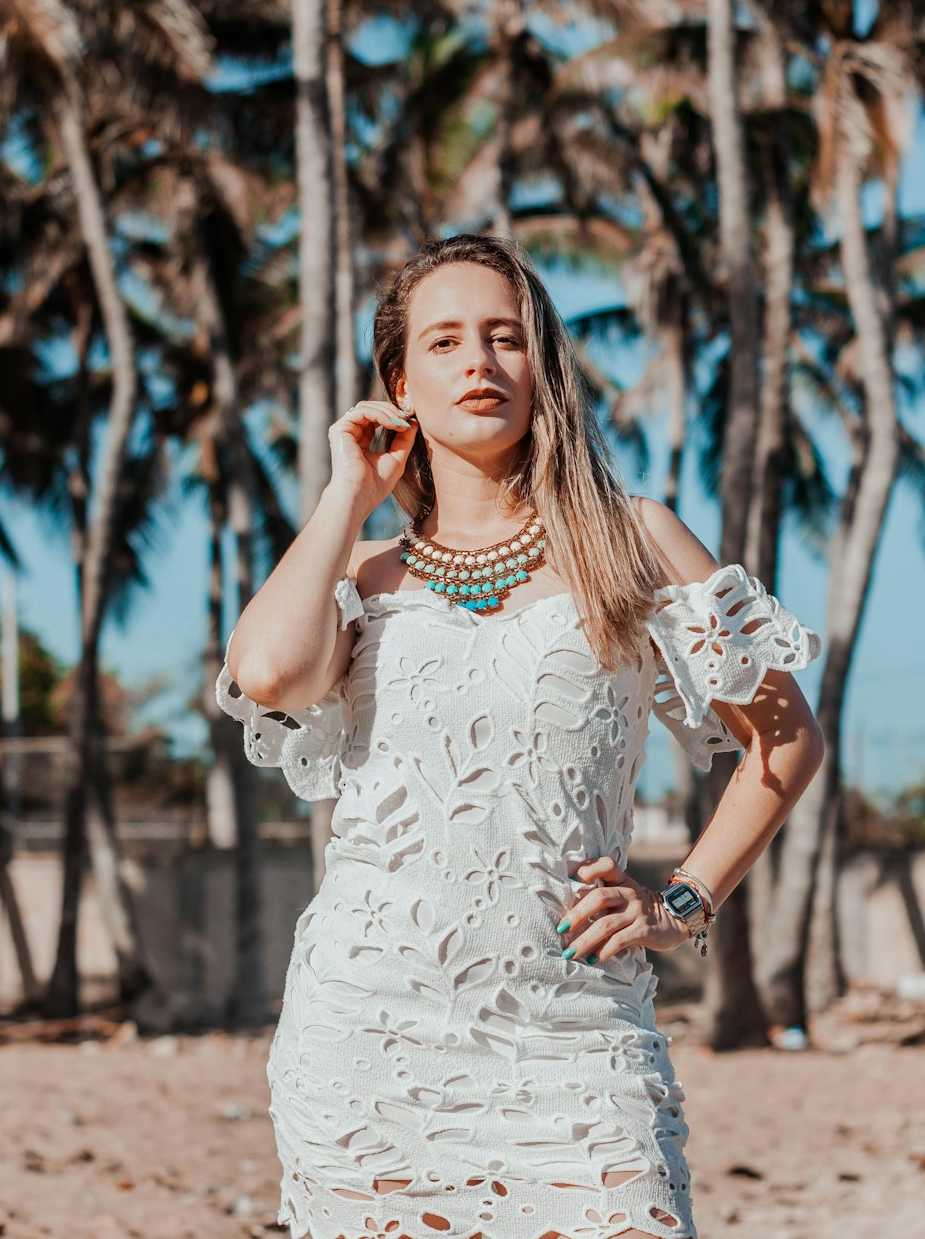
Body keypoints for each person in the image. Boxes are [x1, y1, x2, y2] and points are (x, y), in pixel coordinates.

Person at [217, 232, 825, 1239]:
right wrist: (343, 495)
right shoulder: (362, 577)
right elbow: (269, 675)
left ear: (542, 364)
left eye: (505, 337)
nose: (480, 364)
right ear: (398, 383)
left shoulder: (634, 543)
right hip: (368, 1033)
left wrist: (683, 900)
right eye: (446, 342)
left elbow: (784, 739)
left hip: (577, 1029)